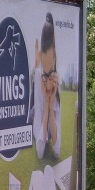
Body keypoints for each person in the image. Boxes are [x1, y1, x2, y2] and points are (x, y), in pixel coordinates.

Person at [32, 12, 60, 161]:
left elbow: (57, 151)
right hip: (37, 111)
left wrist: (50, 106)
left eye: (51, 75)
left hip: (48, 107)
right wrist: (46, 108)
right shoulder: (38, 78)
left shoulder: (56, 81)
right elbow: (40, 152)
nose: (48, 83)